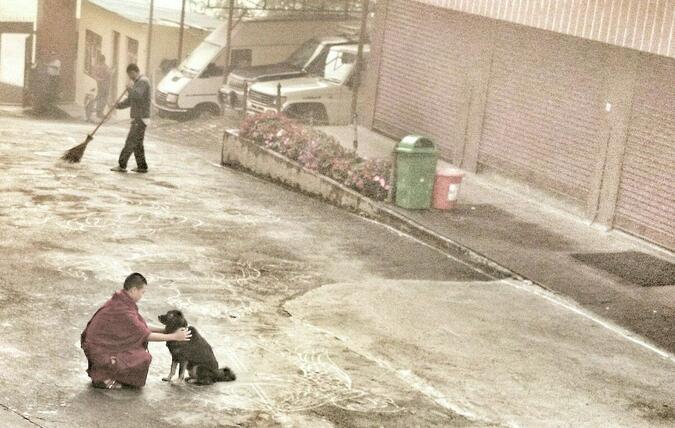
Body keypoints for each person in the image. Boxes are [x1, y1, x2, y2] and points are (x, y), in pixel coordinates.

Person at [80, 273, 191, 389]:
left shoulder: (121, 301)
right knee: (143, 357)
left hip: (101, 346)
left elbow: (139, 327)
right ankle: (104, 378)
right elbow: (145, 335)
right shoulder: (123, 308)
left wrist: (164, 331)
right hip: (98, 352)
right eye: (142, 292)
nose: (142, 295)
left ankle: (108, 372)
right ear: (133, 290)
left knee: (138, 350)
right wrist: (174, 337)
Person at [111, 64, 151, 174]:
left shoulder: (143, 81)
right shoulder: (138, 83)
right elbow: (131, 100)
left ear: (133, 72)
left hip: (140, 117)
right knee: (137, 144)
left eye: (130, 75)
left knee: (130, 142)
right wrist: (118, 105)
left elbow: (137, 96)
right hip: (140, 117)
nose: (130, 77)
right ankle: (142, 166)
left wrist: (129, 89)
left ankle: (122, 165)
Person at [93, 54, 112, 118]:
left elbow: (95, 75)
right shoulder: (105, 67)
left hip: (99, 84)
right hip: (105, 84)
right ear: (103, 60)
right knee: (104, 98)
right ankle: (100, 113)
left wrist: (99, 80)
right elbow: (109, 74)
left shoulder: (96, 66)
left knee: (100, 97)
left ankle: (98, 112)